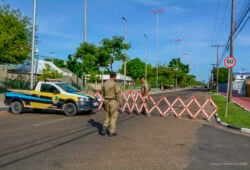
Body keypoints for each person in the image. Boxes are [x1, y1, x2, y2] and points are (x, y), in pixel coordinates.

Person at [100, 72, 122, 137]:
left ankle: (104, 126)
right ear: (115, 77)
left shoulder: (105, 83)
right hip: (113, 102)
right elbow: (118, 94)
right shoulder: (115, 84)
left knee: (107, 115)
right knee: (113, 116)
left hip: (106, 101)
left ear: (110, 76)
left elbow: (102, 93)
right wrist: (120, 102)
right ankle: (111, 132)